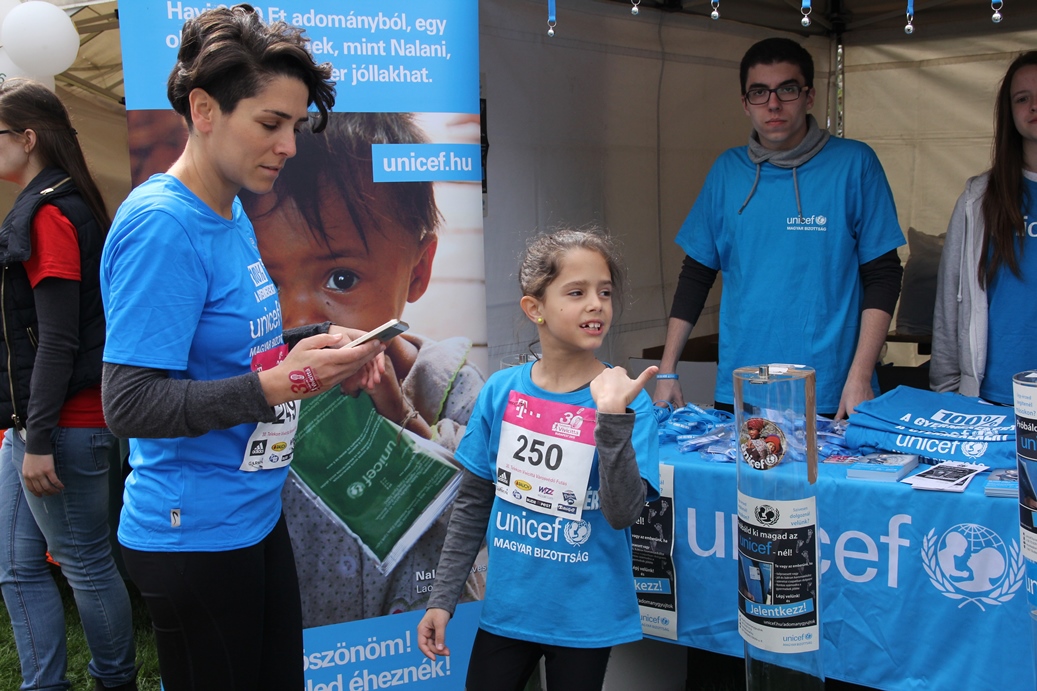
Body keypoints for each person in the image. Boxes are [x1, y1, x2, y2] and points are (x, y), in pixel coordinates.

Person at [99, 6, 386, 689]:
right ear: (204, 110)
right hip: (193, 531)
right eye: (270, 123)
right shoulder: (163, 227)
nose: (289, 146)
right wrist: (285, 383)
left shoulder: (229, 209)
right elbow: (129, 404)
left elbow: (230, 349)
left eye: (294, 126)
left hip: (251, 512)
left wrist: (315, 343)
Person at [240, 113, 486, 624]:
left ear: (417, 270)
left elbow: (481, 510)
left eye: (342, 278)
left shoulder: (449, 384)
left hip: (424, 633)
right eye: (266, 281)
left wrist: (401, 416)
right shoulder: (256, 395)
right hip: (310, 641)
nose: (298, 319)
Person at [416, 229, 660, 691]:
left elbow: (623, 513)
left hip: (585, 614)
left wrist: (611, 418)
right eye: (577, 292)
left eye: (605, 292)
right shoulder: (501, 390)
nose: (596, 305)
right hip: (508, 610)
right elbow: (472, 504)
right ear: (535, 309)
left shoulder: (629, 401)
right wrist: (442, 598)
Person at [654, 37, 904, 418]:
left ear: (809, 96)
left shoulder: (855, 165)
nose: (773, 104)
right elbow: (696, 274)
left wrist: (861, 375)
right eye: (759, 92)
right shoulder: (726, 172)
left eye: (786, 89)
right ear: (745, 103)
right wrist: (667, 370)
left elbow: (884, 274)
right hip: (742, 393)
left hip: (833, 394)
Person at [0, 79, 138, 691]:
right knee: (16, 565)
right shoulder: (53, 204)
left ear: (28, 138)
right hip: (35, 422)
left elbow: (57, 341)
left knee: (85, 563)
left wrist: (38, 440)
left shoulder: (51, 214)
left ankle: (116, 680)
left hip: (61, 428)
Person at [931, 51, 1037, 404]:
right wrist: (946, 392)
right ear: (1009, 111)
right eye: (1022, 98)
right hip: (992, 397)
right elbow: (951, 298)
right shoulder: (978, 199)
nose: (1034, 106)